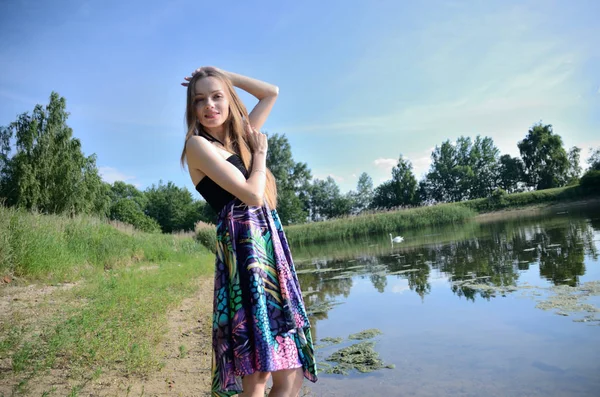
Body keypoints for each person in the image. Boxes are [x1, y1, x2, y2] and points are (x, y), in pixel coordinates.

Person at [180, 66, 318, 397]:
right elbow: (252, 194)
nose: (209, 105)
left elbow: (271, 92)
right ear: (192, 109)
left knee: (290, 370)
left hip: (268, 247)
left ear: (229, 100)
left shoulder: (240, 138)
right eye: (200, 100)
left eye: (217, 96)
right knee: (256, 372)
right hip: (243, 252)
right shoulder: (198, 145)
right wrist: (260, 155)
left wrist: (221, 74)